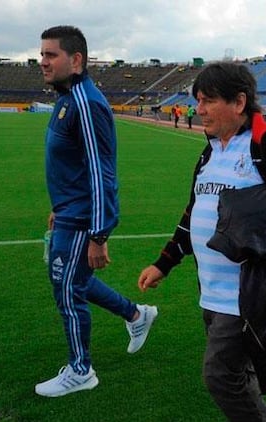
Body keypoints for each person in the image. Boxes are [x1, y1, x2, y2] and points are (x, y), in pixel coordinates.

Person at [137, 62, 266, 422]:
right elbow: (195, 212)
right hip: (210, 292)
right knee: (239, 375)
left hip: (245, 298)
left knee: (221, 375)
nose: (200, 109)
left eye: (208, 101)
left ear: (239, 102)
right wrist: (164, 263)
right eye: (198, 100)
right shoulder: (210, 152)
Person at [35, 25, 158, 398]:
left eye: (50, 55)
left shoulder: (86, 103)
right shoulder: (68, 98)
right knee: (76, 282)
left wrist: (99, 233)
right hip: (69, 212)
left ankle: (81, 369)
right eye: (41, 54)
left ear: (75, 60)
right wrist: (58, 207)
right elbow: (72, 166)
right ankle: (137, 315)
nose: (42, 62)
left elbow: (101, 171)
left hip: (84, 219)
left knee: (68, 290)